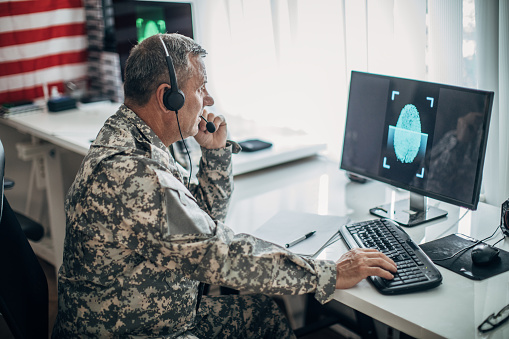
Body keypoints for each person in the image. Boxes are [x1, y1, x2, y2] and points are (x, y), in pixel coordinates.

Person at [52, 33, 397, 338]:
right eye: (201, 88)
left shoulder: (129, 134)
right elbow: (219, 253)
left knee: (262, 315)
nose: (209, 100)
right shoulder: (134, 174)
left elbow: (198, 224)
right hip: (135, 331)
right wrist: (329, 273)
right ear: (167, 97)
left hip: (152, 317)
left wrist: (215, 155)